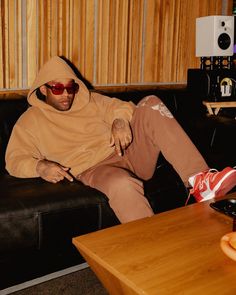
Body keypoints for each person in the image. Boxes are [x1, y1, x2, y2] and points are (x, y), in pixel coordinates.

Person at [5, 56, 236, 223]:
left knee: (151, 102)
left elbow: (123, 107)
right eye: (57, 88)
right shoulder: (30, 121)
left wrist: (119, 121)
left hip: (126, 151)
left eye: (71, 86)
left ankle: (200, 180)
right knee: (122, 185)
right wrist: (40, 166)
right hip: (95, 169)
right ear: (43, 89)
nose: (66, 93)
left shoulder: (91, 100)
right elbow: (14, 159)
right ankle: (149, 248)